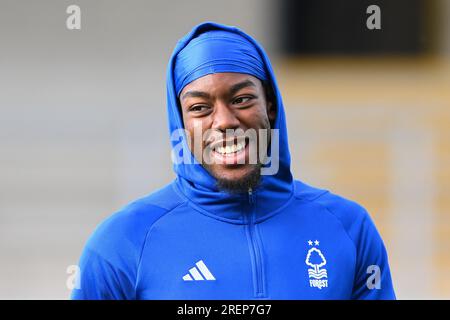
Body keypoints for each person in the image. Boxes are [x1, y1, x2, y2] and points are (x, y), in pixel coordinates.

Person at [71, 21, 396, 300]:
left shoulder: (348, 228)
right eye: (200, 108)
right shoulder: (122, 243)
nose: (225, 121)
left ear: (270, 105)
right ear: (181, 123)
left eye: (241, 99)